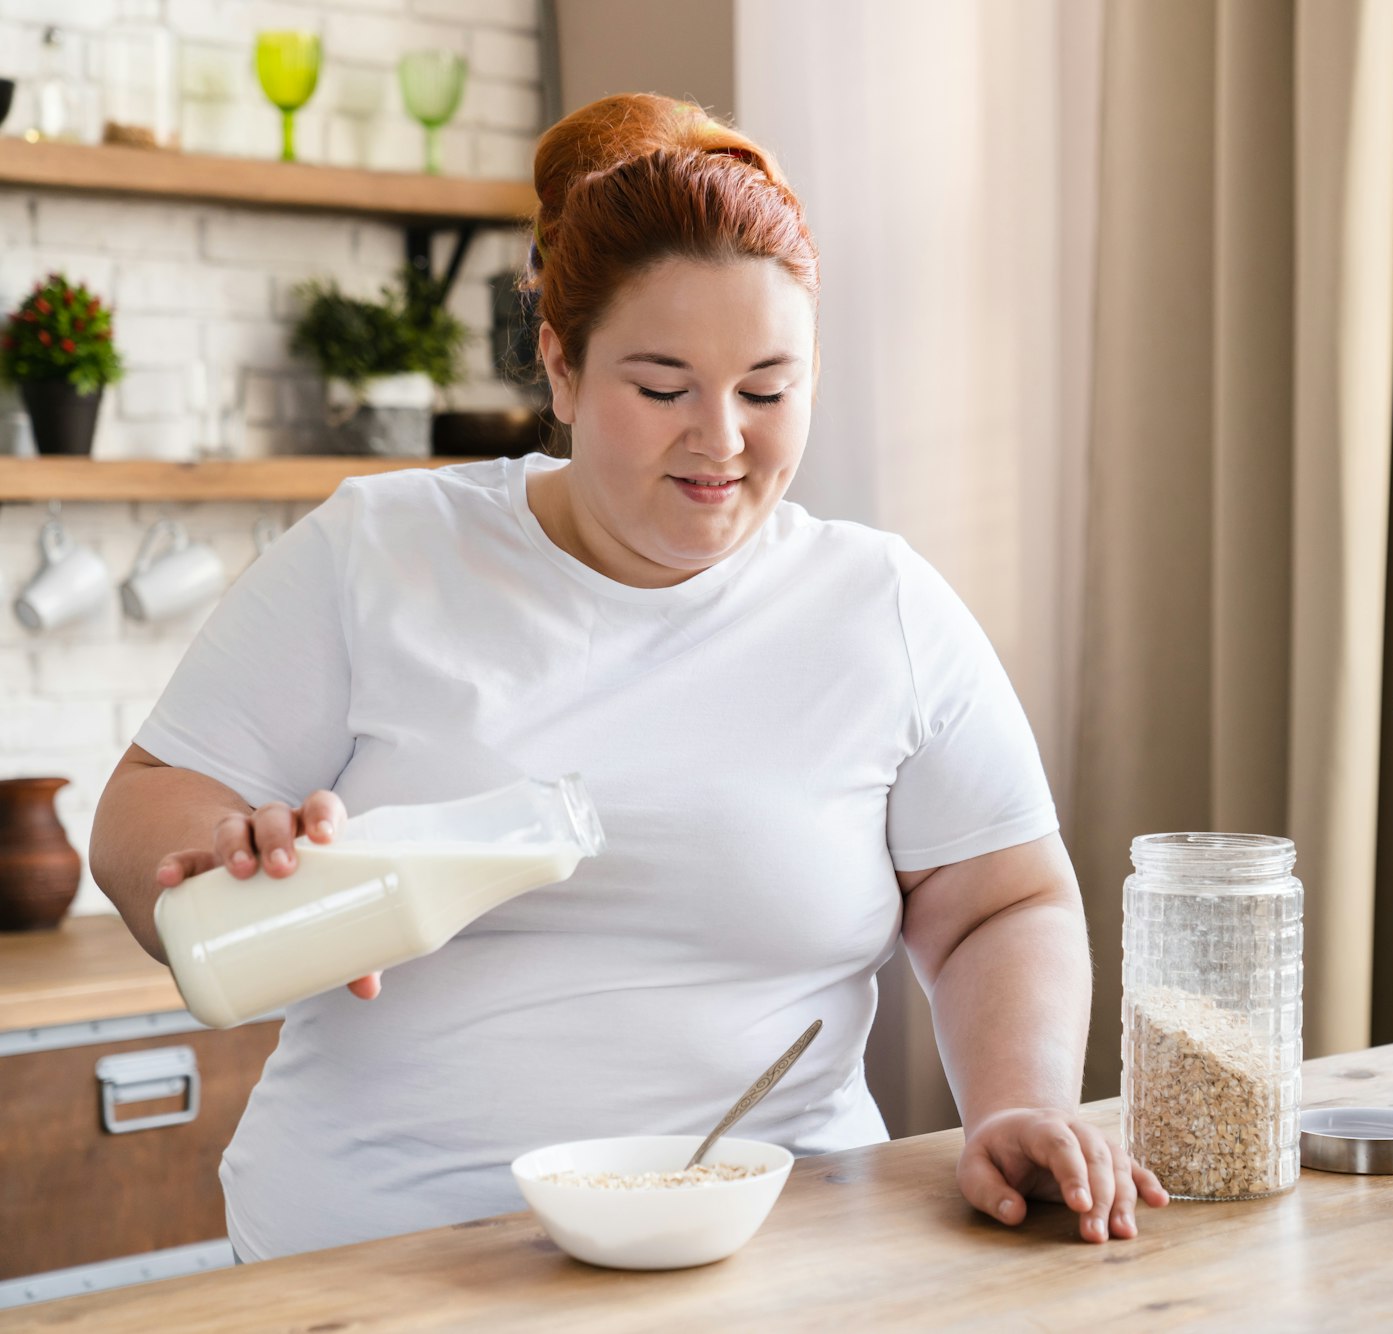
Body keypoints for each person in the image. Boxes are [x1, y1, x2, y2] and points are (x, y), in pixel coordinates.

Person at [90, 93, 1166, 1262]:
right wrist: (225, 853)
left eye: (768, 387)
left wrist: (1015, 1100)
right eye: (662, 388)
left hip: (782, 1249)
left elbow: (997, 904)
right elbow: (143, 811)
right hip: (384, 1253)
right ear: (557, 365)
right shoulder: (379, 554)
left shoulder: (879, 606)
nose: (721, 438)